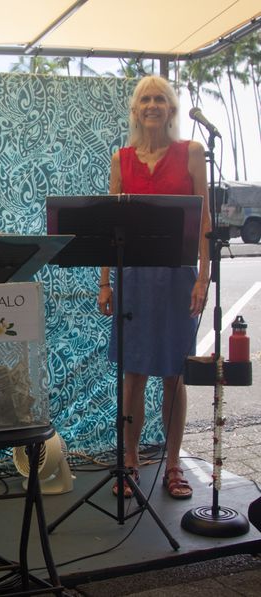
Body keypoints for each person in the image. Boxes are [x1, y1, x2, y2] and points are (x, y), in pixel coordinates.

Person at [98, 75, 211, 500]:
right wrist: (105, 282)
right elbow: (111, 227)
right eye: (145, 99)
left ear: (171, 109)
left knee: (173, 375)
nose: (152, 105)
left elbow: (204, 219)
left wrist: (203, 276)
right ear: (135, 109)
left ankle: (174, 463)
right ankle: (129, 460)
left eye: (160, 99)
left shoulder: (191, 153)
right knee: (133, 375)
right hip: (134, 279)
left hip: (178, 277)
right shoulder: (121, 159)